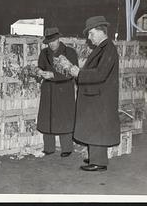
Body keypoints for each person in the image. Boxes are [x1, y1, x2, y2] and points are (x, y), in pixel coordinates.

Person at [70, 16, 120, 171]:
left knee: (97, 128)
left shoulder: (108, 49)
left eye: (91, 33)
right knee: (94, 127)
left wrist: (79, 73)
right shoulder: (103, 48)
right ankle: (95, 158)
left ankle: (99, 163)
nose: (89, 38)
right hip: (97, 95)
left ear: (101, 31)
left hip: (100, 97)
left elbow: (100, 74)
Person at [36, 27, 78, 157]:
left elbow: (72, 73)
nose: (51, 44)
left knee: (64, 119)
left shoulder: (70, 52)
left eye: (53, 41)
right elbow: (40, 67)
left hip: (64, 90)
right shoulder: (43, 53)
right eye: (49, 42)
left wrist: (53, 75)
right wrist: (38, 72)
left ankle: (66, 148)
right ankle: (49, 148)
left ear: (59, 39)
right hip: (48, 90)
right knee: (47, 118)